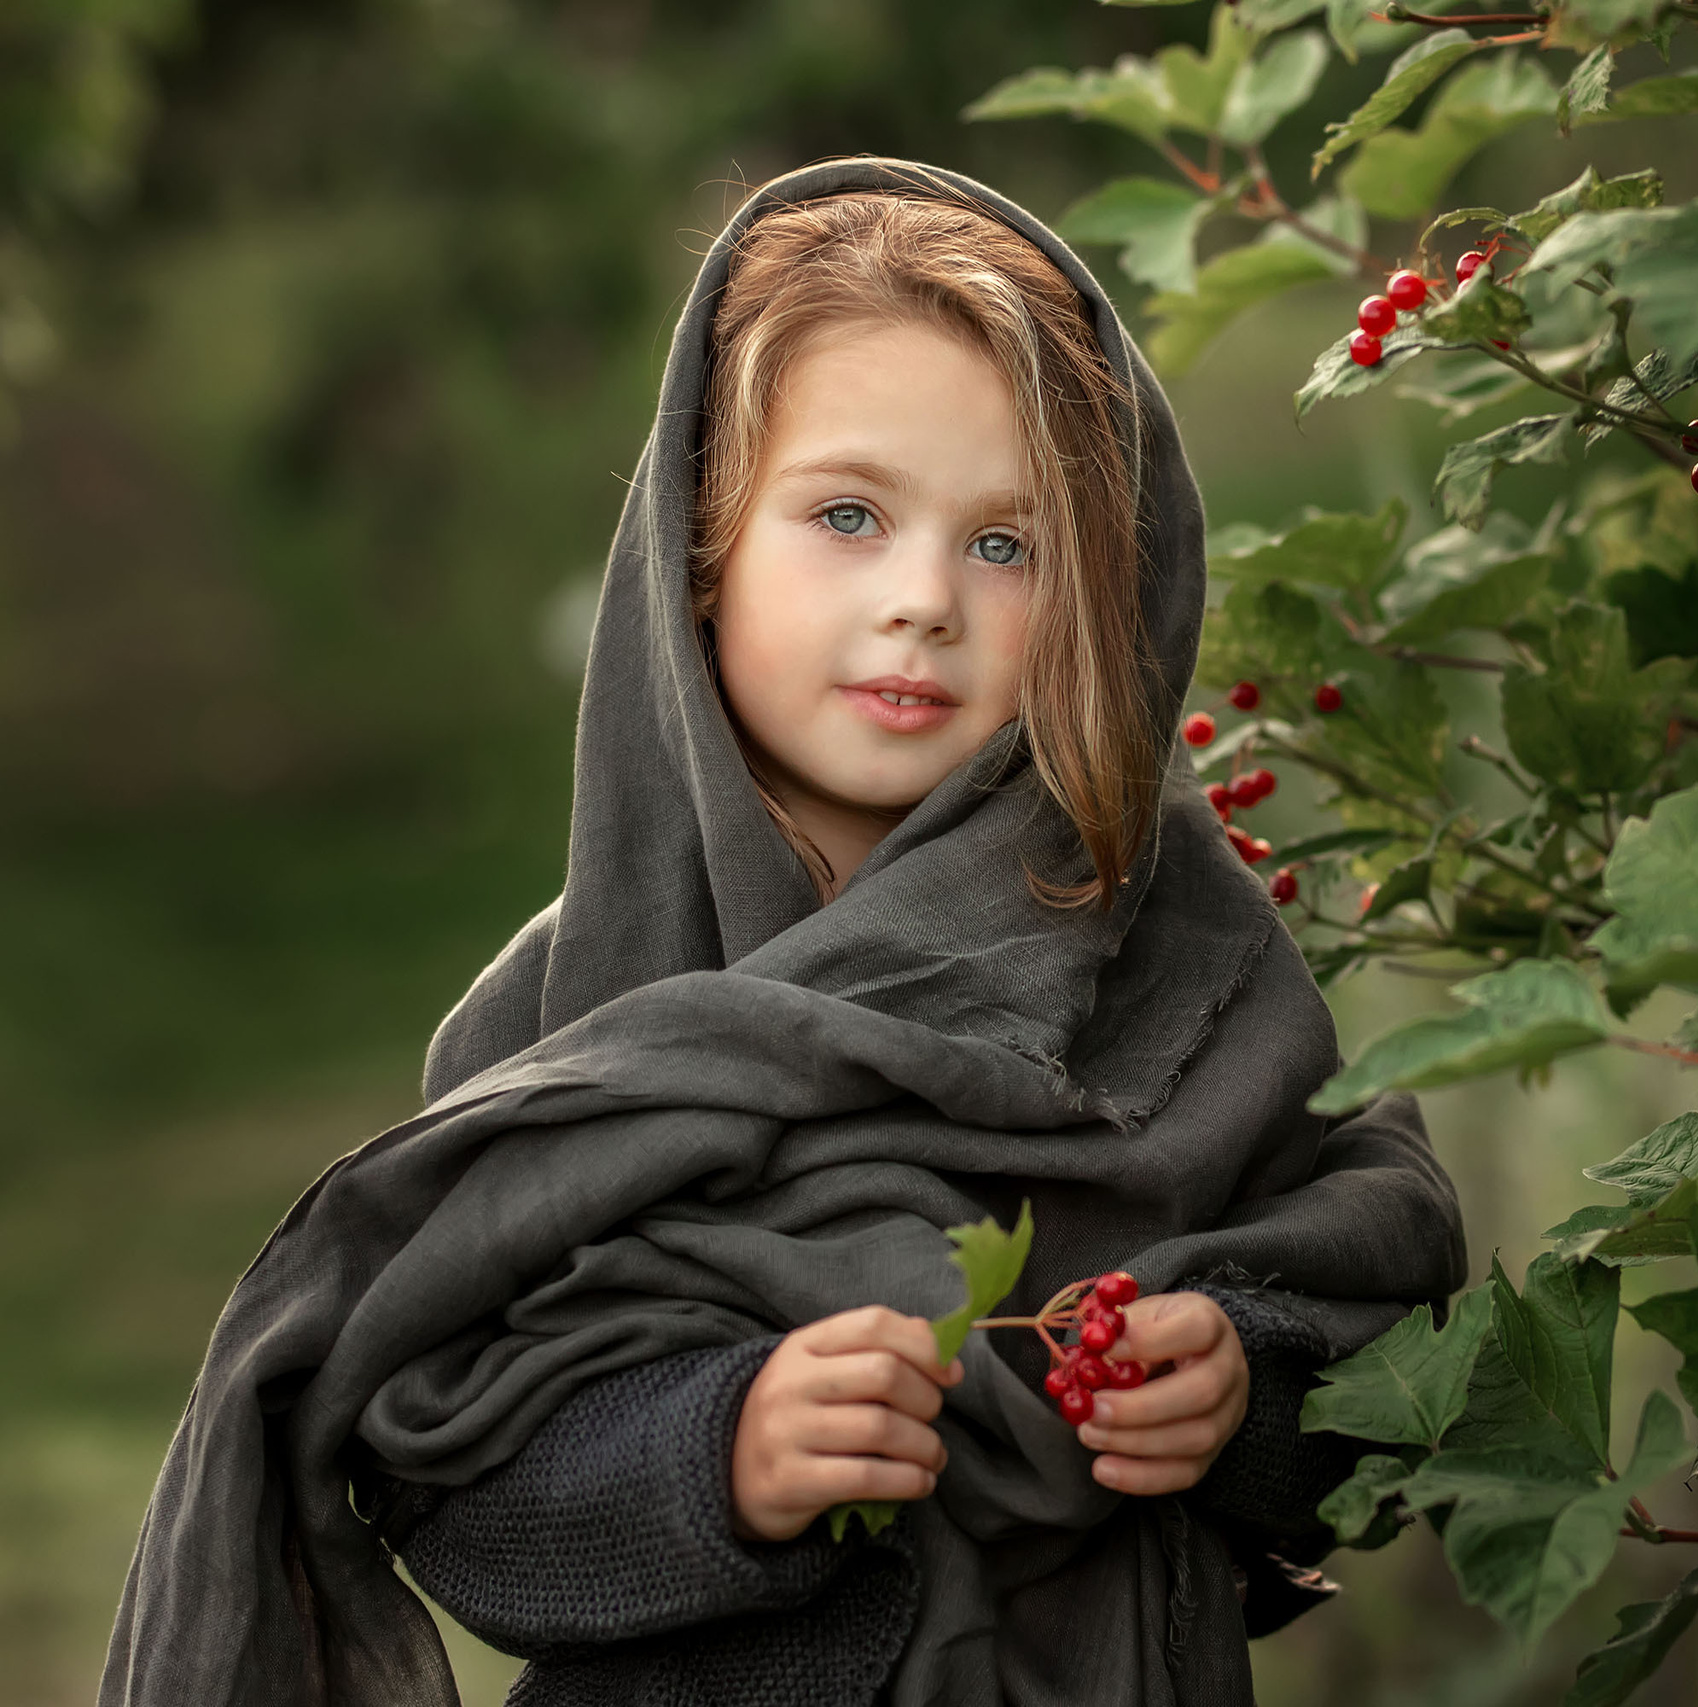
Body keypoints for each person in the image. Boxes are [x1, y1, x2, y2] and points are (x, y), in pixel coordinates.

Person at [97, 157, 1468, 1707]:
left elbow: (1394, 1351)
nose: (923, 600)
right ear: (700, 548)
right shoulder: (570, 1017)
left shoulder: (1184, 976)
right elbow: (445, 1476)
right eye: (848, 515)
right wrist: (716, 1459)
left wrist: (1247, 1404)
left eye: (1006, 546)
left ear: (1103, 603)